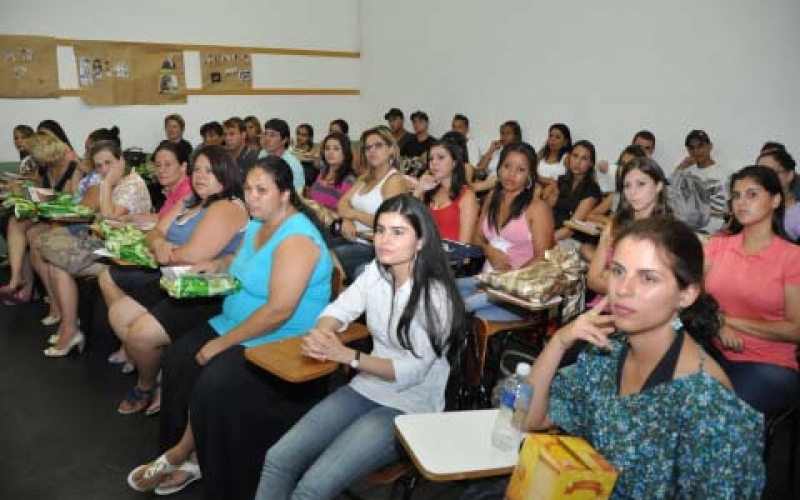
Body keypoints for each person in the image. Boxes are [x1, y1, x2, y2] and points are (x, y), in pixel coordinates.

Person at [127, 156, 333, 499]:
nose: (251, 197)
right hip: (235, 321)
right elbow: (240, 263)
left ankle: (200, 463)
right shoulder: (257, 223)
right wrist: (217, 264)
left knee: (213, 380)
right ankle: (183, 453)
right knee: (178, 357)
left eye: (262, 190)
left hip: (278, 340)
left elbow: (278, 311)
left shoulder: (296, 239)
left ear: (285, 194)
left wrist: (221, 345)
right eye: (249, 189)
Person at [524, 217, 765, 499]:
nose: (623, 290)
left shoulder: (707, 403)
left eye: (648, 278)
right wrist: (560, 341)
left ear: (686, 295)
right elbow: (530, 419)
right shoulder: (605, 353)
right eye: (618, 271)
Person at [256, 194, 466, 500]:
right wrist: (322, 334)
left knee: (311, 489)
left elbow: (412, 371)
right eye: (380, 230)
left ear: (421, 241)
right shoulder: (375, 272)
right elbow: (339, 309)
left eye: (398, 232)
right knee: (278, 458)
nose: (384, 240)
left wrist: (348, 356)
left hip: (409, 404)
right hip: (368, 386)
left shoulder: (435, 296)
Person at [101, 145, 248, 415]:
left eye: (210, 171)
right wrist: (160, 245)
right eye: (198, 169)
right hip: (171, 278)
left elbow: (192, 256)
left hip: (203, 291)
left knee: (140, 335)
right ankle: (156, 375)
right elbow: (154, 231)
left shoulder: (226, 206)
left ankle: (147, 385)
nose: (201, 176)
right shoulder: (191, 200)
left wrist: (163, 248)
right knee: (119, 314)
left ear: (226, 175)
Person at [40, 140, 151, 357]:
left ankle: (70, 329)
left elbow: (108, 218)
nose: (103, 170)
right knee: (52, 257)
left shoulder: (132, 184)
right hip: (107, 246)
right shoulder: (114, 182)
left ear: (121, 161)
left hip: (126, 255)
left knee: (58, 265)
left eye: (108, 163)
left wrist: (106, 184)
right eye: (98, 166)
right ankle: (68, 327)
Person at [705, 165, 800, 415]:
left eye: (752, 194)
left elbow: (795, 328)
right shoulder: (718, 245)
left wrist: (727, 320)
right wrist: (718, 324)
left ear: (776, 200)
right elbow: (690, 294)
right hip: (711, 349)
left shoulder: (792, 258)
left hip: (768, 363)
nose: (741, 202)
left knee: (719, 413)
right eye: (736, 195)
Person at [457, 142, 555, 321]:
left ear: (530, 176)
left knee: (459, 308)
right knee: (442, 291)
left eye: (520, 169)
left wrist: (508, 280)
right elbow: (477, 237)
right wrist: (489, 251)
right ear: (499, 168)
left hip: (517, 292)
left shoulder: (537, 209)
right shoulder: (493, 197)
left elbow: (543, 258)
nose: (511, 174)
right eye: (507, 166)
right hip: (487, 280)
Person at [0, 132, 83, 305]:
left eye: (36, 156)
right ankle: (16, 279)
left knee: (31, 234)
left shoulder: (73, 167)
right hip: (46, 213)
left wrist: (44, 195)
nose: (35, 160)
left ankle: (48, 296)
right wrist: (25, 191)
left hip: (63, 217)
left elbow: (72, 199)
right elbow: (41, 187)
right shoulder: (46, 166)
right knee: (15, 221)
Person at [334, 126, 408, 283]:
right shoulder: (365, 178)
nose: (371, 151)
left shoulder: (394, 181)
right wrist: (347, 220)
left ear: (392, 150)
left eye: (378, 145)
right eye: (367, 147)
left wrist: (353, 215)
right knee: (310, 244)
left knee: (323, 257)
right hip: (351, 238)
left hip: (372, 247)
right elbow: (342, 203)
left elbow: (388, 222)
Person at [587, 157, 670, 296]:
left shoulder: (669, 231)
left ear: (658, 186)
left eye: (641, 184)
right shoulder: (615, 225)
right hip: (606, 306)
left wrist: (610, 277)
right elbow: (592, 279)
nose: (633, 192)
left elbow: (661, 290)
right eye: (627, 185)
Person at [413, 137, 478, 243]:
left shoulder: (466, 195)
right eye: (431, 159)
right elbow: (409, 223)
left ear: (454, 162)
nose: (434, 162)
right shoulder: (428, 190)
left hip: (452, 257)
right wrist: (419, 190)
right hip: (424, 253)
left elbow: (464, 246)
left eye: (441, 157)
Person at [545, 140, 603, 244]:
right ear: (569, 158)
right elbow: (546, 213)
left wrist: (544, 241)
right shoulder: (560, 181)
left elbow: (571, 229)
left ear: (590, 164)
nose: (578, 162)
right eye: (575, 156)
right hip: (551, 231)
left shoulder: (592, 189)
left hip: (573, 239)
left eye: (584, 159)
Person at [675, 129, 732, 232]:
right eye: (692, 148)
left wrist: (727, 229)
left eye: (700, 146)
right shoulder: (686, 173)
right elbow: (671, 197)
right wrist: (681, 167)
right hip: (691, 233)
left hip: (718, 232)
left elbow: (734, 206)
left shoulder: (726, 174)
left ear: (710, 146)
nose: (696, 151)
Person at [586, 145, 648, 225]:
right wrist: (610, 222)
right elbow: (590, 216)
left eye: (629, 165)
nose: (623, 169)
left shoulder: (646, 199)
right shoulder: (617, 195)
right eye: (622, 164)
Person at [756, 148, 800, 240]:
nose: (764, 178)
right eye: (759, 174)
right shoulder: (752, 204)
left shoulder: (796, 213)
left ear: (789, 175)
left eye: (771, 172)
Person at [307, 132, 356, 212]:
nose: (330, 152)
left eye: (336, 149)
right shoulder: (323, 173)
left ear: (345, 153)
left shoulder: (349, 180)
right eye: (327, 148)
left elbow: (345, 212)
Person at [472, 120, 523, 194]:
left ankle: (472, 188)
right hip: (488, 182)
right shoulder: (497, 150)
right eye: (502, 133)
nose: (504, 137)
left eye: (508, 133)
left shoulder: (519, 151)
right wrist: (491, 150)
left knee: (496, 179)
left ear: (516, 135)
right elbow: (480, 168)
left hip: (502, 182)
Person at [258, 118, 305, 192]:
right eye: (265, 134)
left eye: (272, 135)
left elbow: (298, 193)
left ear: (284, 140)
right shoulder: (262, 154)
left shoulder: (293, 164)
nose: (267, 138)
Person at [537, 123, 572, 189]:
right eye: (550, 136)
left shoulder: (567, 158)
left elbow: (569, 180)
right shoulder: (541, 153)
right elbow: (530, 172)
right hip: (536, 190)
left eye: (557, 137)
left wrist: (551, 182)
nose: (553, 140)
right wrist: (548, 180)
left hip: (556, 193)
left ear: (565, 142)